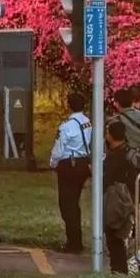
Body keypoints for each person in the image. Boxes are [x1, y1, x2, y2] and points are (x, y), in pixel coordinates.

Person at [110, 87, 140, 249]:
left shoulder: (115, 121)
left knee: (124, 203)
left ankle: (123, 241)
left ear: (117, 103)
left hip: (124, 164)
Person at [50, 89, 91, 254]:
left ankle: (73, 243)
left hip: (69, 165)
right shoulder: (88, 122)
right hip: (83, 164)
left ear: (69, 106)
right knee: (74, 203)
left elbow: (59, 149)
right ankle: (76, 241)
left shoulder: (66, 126)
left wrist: (53, 163)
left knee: (67, 205)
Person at [103, 118, 138, 274]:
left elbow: (107, 178)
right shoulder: (128, 152)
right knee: (118, 235)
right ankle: (119, 269)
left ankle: (118, 269)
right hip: (127, 197)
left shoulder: (113, 157)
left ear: (110, 135)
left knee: (114, 235)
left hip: (116, 198)